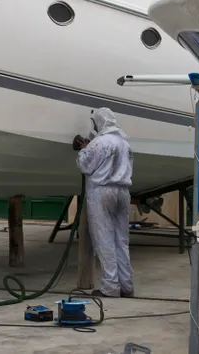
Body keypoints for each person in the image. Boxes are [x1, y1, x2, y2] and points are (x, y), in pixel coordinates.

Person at [74, 107, 135, 298]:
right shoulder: (124, 143)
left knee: (104, 239)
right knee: (121, 240)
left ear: (99, 122)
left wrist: (83, 149)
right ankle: (127, 286)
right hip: (123, 191)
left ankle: (110, 287)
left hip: (102, 191)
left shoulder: (98, 143)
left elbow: (85, 166)